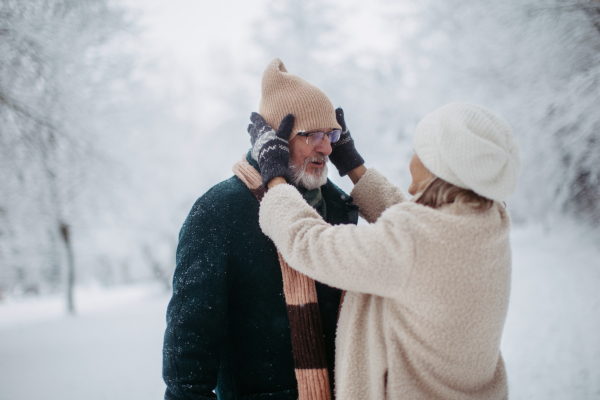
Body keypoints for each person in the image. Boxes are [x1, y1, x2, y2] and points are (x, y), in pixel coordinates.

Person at [253, 102, 521, 400]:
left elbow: (309, 243)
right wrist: (354, 167)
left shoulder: (414, 242)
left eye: (419, 152)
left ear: (439, 168)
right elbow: (419, 229)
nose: (412, 161)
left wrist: (275, 178)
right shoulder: (489, 220)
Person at [162, 58, 364, 400]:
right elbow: (188, 361)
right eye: (312, 134)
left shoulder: (341, 207)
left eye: (331, 134)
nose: (327, 148)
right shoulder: (220, 212)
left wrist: (358, 171)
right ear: (277, 139)